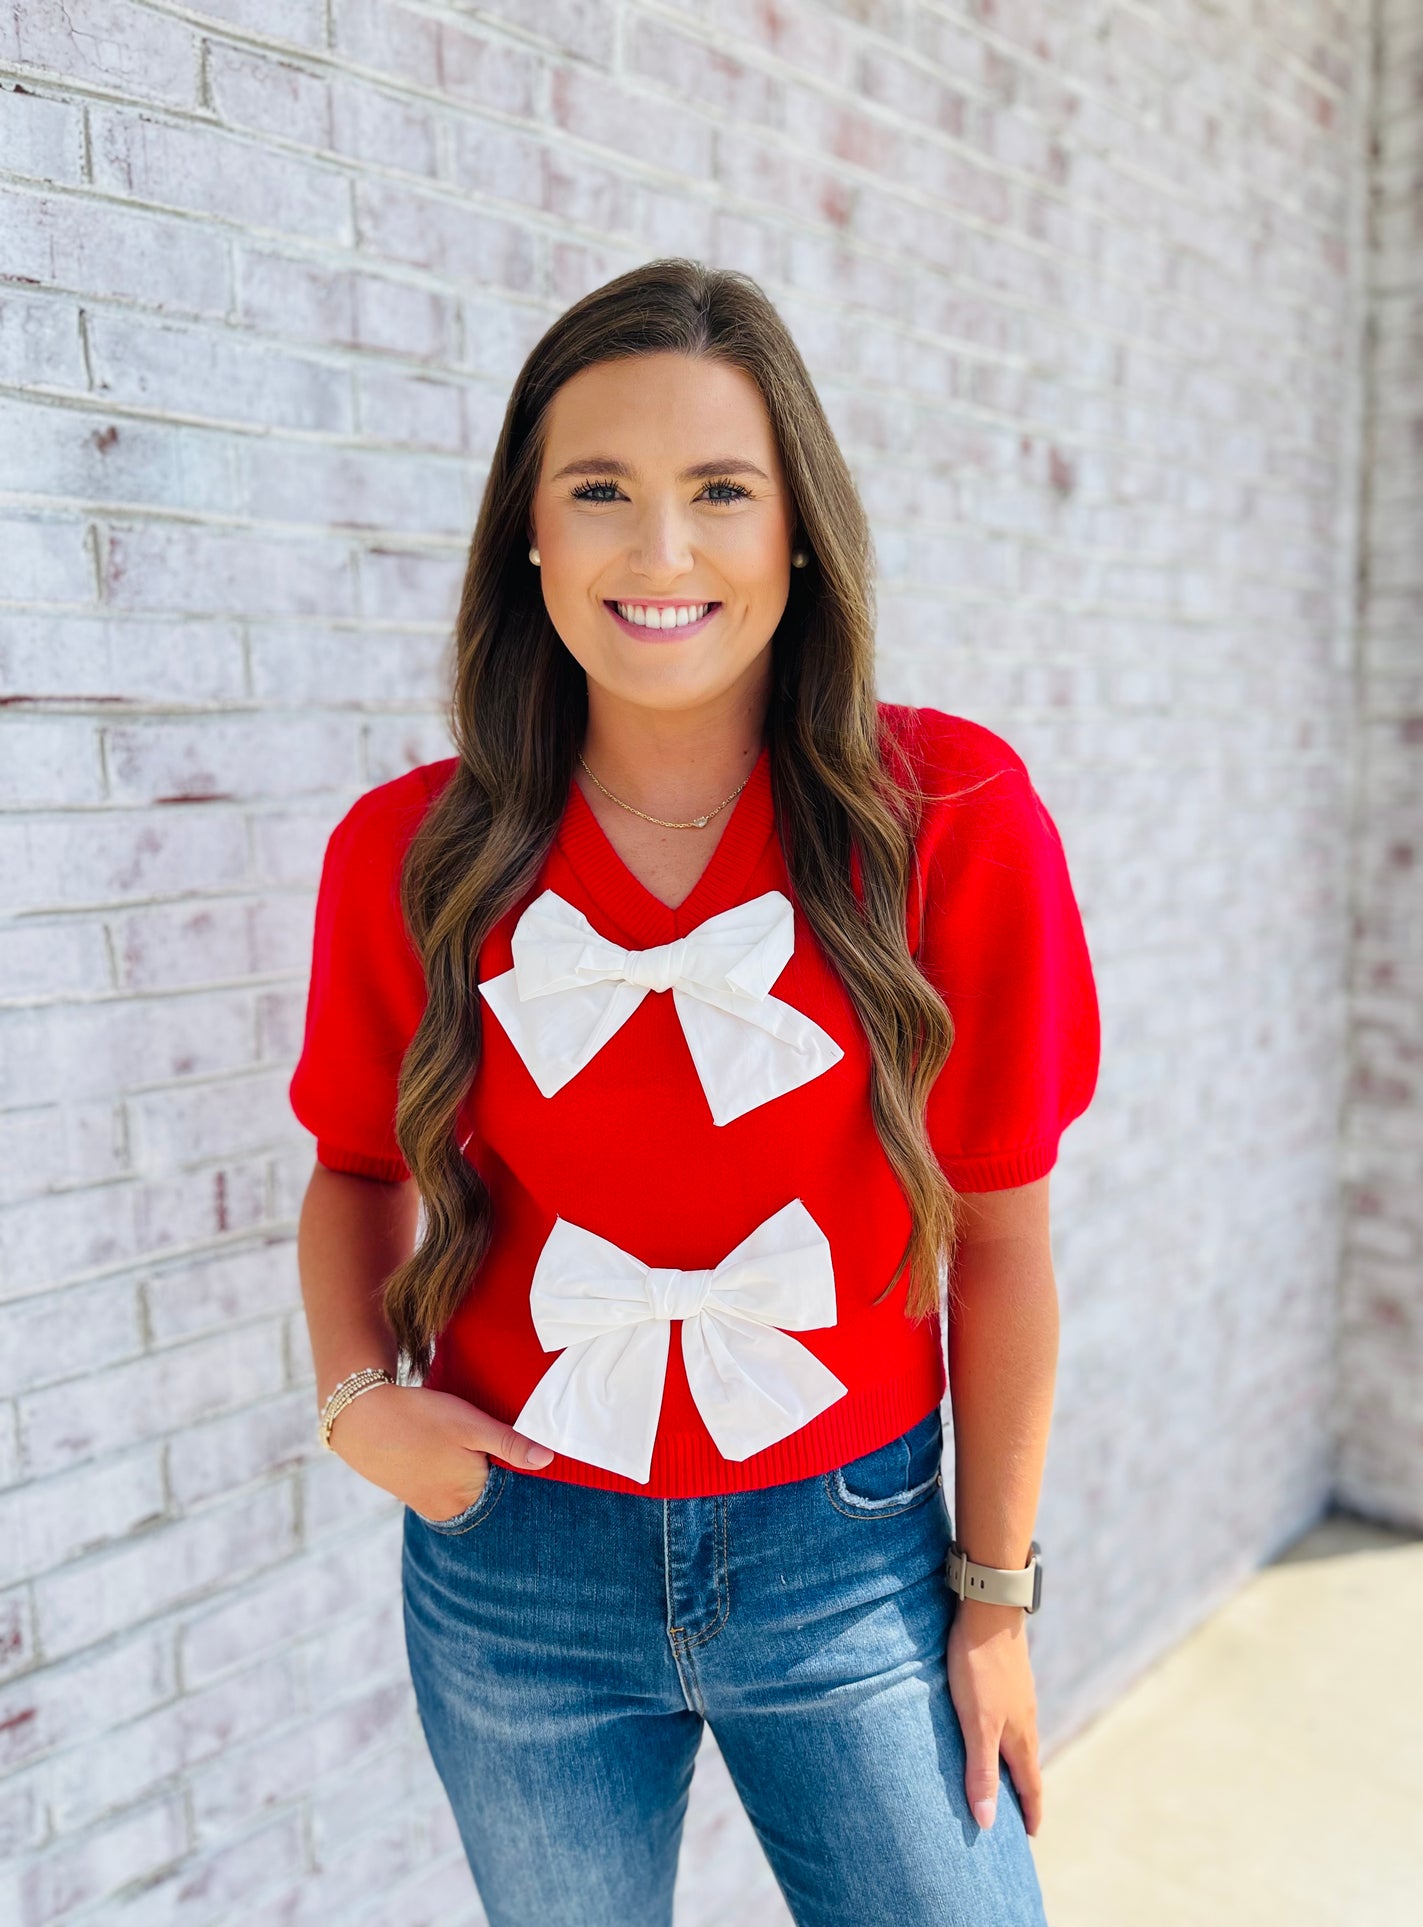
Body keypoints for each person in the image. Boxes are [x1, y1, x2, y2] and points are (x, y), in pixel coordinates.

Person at [290, 258, 1101, 1927]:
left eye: (719, 492)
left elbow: (1004, 1238)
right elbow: (354, 1169)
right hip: (513, 1558)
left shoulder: (947, 818)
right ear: (530, 530)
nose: (659, 554)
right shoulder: (408, 853)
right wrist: (358, 1398)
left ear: (796, 532)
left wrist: (995, 1603)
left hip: (851, 1553)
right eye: (600, 492)